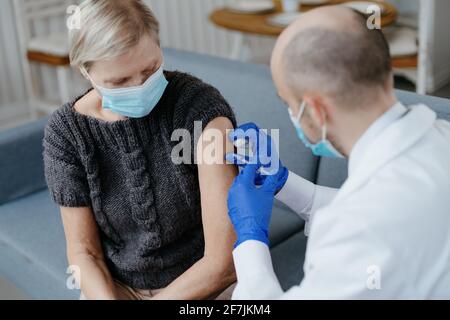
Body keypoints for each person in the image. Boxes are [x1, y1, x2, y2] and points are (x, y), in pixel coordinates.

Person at [226, 6, 450, 299]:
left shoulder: (355, 231)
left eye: (288, 104)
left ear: (316, 110)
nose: (292, 114)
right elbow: (382, 204)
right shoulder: (440, 135)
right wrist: (283, 183)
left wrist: (250, 240)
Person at [43, 0, 237, 300]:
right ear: (85, 71)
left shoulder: (199, 110)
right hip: (120, 287)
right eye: (119, 81)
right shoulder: (66, 134)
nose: (140, 87)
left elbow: (222, 264)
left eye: (150, 70)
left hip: (207, 284)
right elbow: (83, 253)